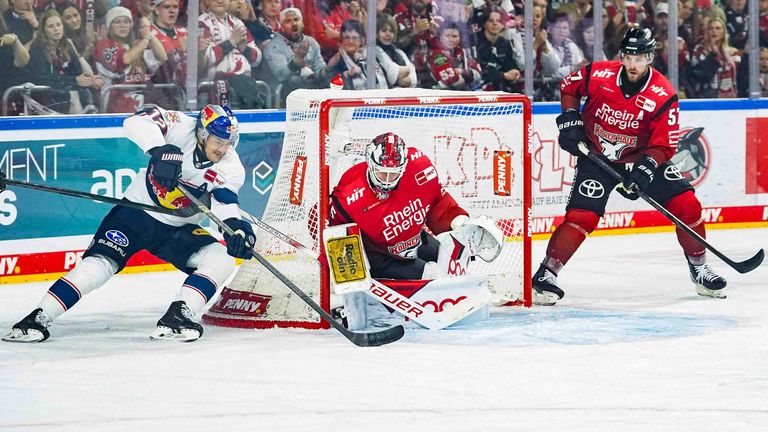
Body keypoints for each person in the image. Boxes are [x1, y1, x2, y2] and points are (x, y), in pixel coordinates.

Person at [3, 104, 255, 343]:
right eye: (218, 141)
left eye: (228, 143)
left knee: (221, 258)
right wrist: (159, 150)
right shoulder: (180, 126)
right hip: (133, 216)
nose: (222, 149)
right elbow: (135, 121)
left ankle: (179, 316)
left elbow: (224, 202)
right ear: (202, 134)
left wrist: (235, 228)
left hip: (178, 230)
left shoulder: (231, 167)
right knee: (96, 268)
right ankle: (37, 318)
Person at [533, 27, 727, 306]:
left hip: (641, 157)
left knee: (687, 206)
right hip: (597, 157)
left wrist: (645, 170)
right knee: (582, 216)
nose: (633, 64)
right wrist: (570, 118)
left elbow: (663, 144)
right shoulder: (599, 74)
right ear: (622, 56)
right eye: (629, 57)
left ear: (650, 58)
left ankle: (700, 269)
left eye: (640, 58)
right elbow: (569, 86)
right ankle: (546, 274)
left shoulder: (662, 93)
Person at [329, 132, 502, 280]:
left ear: (404, 167)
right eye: (382, 173)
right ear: (370, 163)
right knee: (432, 275)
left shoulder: (419, 167)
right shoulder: (349, 192)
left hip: (415, 241)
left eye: (393, 174)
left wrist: (460, 222)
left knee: (453, 258)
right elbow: (337, 235)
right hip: (379, 256)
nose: (387, 181)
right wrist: (354, 282)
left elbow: (438, 204)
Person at [94, 6, 168, 113]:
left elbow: (162, 56)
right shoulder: (104, 45)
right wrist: (145, 40)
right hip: (115, 110)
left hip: (143, 110)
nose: (123, 25)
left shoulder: (136, 46)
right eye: (117, 22)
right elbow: (125, 59)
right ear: (110, 26)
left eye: (126, 21)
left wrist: (149, 34)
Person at [26, 9, 102, 113]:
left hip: (65, 90)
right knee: (72, 95)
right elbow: (44, 78)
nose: (56, 29)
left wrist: (88, 80)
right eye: (51, 26)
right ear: (44, 30)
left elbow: (78, 72)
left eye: (58, 25)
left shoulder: (67, 45)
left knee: (85, 93)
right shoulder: (37, 48)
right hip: (45, 95)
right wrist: (75, 80)